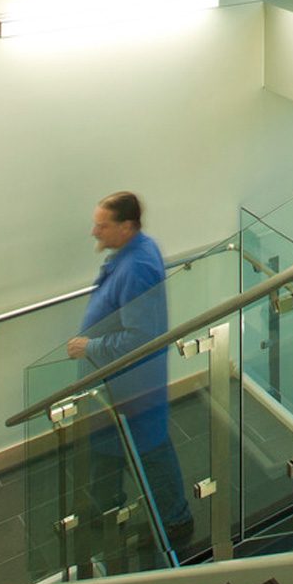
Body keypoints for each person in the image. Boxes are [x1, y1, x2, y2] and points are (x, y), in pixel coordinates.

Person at [67, 191, 194, 560]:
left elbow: (142, 337)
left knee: (152, 450)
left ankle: (175, 520)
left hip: (133, 385)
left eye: (102, 225)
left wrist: (88, 348)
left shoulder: (137, 267)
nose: (95, 231)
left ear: (126, 227)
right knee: (109, 447)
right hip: (118, 383)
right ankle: (106, 506)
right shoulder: (132, 253)